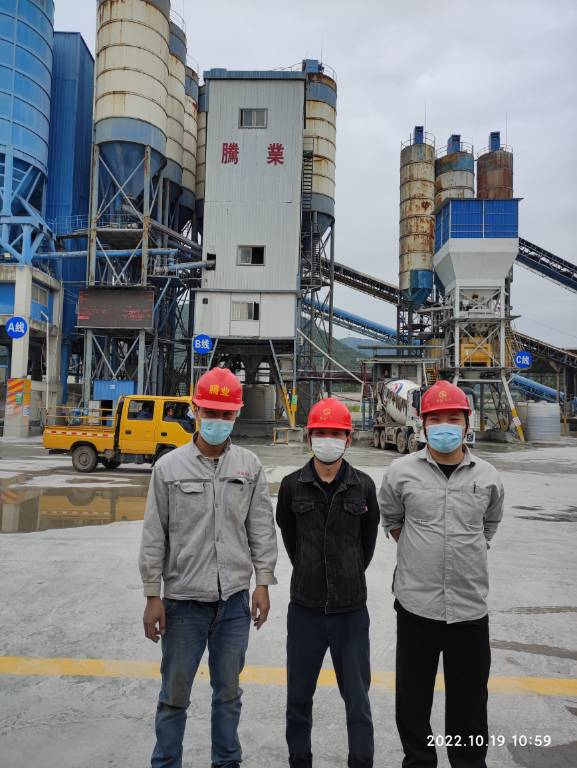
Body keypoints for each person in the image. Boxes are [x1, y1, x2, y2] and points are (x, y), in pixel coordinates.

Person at [139, 367, 278, 768]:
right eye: (211, 412)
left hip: (233, 604)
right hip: (183, 603)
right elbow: (154, 535)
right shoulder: (169, 468)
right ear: (195, 410)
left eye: (226, 414)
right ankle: (166, 763)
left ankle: (226, 762)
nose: (218, 420)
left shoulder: (249, 466)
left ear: (236, 414)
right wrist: (152, 595)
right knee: (173, 697)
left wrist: (262, 583)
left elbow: (260, 528)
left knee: (229, 694)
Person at [378, 380, 505, 768]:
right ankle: (418, 761)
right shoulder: (400, 472)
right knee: (413, 698)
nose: (445, 426)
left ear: (467, 422)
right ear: (423, 423)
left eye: (453, 418)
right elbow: (392, 519)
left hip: (469, 608)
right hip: (417, 605)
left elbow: (488, 526)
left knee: (470, 701)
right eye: (436, 419)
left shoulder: (487, 476)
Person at [276, 397, 380, 768]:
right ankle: (299, 759)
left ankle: (361, 761)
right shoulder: (291, 486)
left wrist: (345, 572)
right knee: (298, 698)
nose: (328, 440)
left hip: (350, 613)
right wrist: (311, 570)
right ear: (309, 438)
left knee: (357, 700)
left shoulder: (364, 486)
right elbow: (291, 538)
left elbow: (366, 545)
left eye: (336, 433)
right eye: (321, 433)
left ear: (348, 439)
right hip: (305, 610)